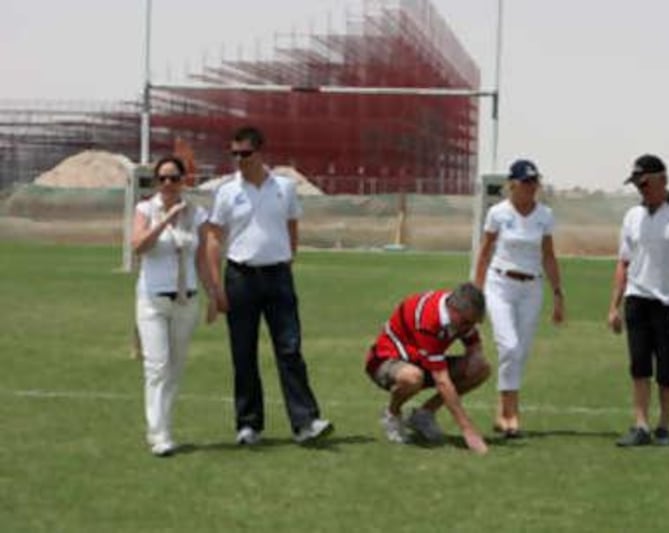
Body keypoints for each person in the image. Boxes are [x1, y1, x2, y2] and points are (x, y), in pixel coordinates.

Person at [205, 125, 333, 446]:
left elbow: (291, 226)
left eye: (245, 154)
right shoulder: (225, 192)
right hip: (240, 277)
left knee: (290, 349)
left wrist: (287, 259)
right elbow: (213, 238)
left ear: (260, 153)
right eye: (234, 154)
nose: (239, 160)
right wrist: (216, 286)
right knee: (243, 353)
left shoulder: (285, 188)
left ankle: (306, 422)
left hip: (277, 277)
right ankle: (249, 425)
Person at [608, 154, 669, 446]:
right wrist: (614, 306)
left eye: (645, 183)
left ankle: (664, 426)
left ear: (663, 180)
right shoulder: (632, 217)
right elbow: (623, 262)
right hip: (638, 299)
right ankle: (640, 425)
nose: (641, 189)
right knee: (639, 365)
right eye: (637, 184)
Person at [473, 158, 565, 438]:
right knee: (509, 346)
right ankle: (511, 413)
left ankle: (502, 410)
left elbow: (548, 256)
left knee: (520, 352)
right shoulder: (498, 213)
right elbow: (485, 251)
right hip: (500, 284)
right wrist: (475, 293)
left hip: (532, 288)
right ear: (512, 184)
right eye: (526, 182)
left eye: (534, 181)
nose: (531, 187)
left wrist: (558, 294)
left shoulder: (544, 215)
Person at [132, 155, 211, 456]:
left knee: (175, 369)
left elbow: (202, 258)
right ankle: (159, 433)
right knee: (157, 366)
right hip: (152, 299)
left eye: (174, 178)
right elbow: (139, 246)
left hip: (185, 299)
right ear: (156, 182)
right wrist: (164, 219)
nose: (168, 184)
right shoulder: (145, 209)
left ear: (183, 181)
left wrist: (214, 294)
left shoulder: (196, 214)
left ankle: (164, 425)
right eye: (162, 179)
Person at [364, 283, 491, 454]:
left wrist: (475, 358)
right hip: (384, 361)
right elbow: (442, 380)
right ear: (453, 310)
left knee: (481, 369)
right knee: (412, 378)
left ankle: (423, 415)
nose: (469, 327)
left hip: (420, 362)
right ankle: (392, 414)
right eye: (467, 322)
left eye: (474, 323)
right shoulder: (428, 319)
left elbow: (475, 350)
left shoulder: (461, 316)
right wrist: (468, 430)